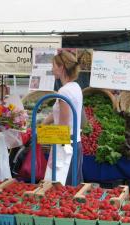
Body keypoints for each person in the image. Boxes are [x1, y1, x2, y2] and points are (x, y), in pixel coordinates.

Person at [43, 50, 83, 185]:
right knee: (73, 184)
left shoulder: (64, 91)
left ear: (62, 68)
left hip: (66, 145)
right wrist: (44, 123)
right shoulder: (75, 87)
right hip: (74, 141)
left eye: (54, 65)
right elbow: (60, 114)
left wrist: (44, 135)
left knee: (62, 186)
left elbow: (63, 126)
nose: (52, 69)